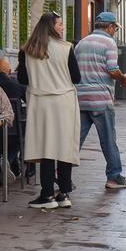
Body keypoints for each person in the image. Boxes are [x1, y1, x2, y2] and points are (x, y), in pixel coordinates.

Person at [19, 13, 81, 209]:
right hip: (64, 101)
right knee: (63, 147)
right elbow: (76, 77)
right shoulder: (66, 48)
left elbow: (22, 79)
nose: (62, 28)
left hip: (40, 102)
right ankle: (63, 193)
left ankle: (47, 194)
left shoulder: (27, 50)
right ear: (52, 27)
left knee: (45, 147)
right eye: (60, 24)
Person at [76, 12, 126, 191]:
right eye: (115, 27)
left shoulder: (81, 43)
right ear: (109, 27)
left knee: (75, 140)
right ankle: (114, 176)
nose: (115, 31)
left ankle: (59, 172)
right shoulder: (109, 42)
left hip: (80, 98)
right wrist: (123, 78)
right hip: (100, 98)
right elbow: (112, 68)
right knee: (108, 139)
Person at [0, 57, 28, 178]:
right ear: (10, 71)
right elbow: (29, 101)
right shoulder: (17, 85)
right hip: (12, 129)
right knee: (23, 137)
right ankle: (6, 159)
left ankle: (1, 162)